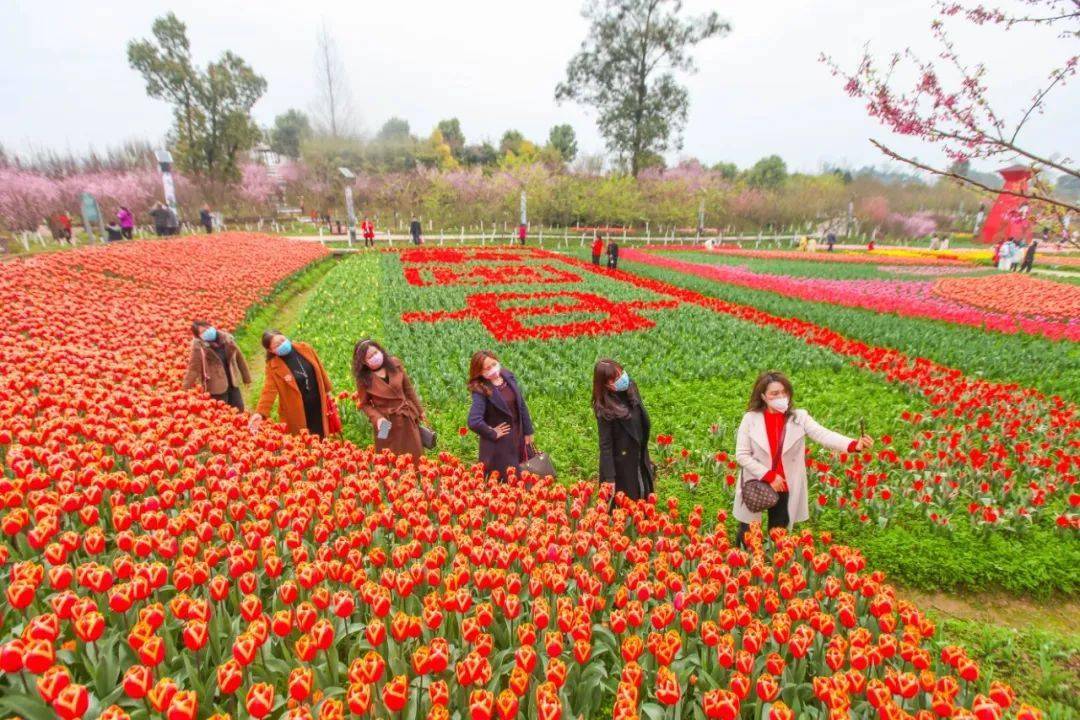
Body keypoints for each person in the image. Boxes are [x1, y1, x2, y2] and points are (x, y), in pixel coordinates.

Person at [733, 371, 873, 547]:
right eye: (774, 393)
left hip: (785, 485)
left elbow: (823, 434)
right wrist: (769, 476)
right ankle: (742, 565)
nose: (781, 397)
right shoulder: (751, 419)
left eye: (784, 392)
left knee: (779, 532)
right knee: (748, 531)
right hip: (757, 481)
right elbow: (742, 455)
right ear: (763, 396)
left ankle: (772, 567)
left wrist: (853, 445)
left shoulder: (799, 417)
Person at [352, 339, 426, 462]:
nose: (374, 357)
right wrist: (377, 419)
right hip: (385, 422)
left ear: (380, 350)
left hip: (406, 415)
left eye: (375, 353)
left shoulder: (394, 363)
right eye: (369, 357)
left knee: (414, 453)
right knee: (388, 456)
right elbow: (364, 404)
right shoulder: (364, 379)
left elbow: (408, 389)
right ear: (364, 362)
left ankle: (417, 478)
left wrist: (419, 410)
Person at [250, 330, 333, 438]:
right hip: (297, 410)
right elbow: (268, 391)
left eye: (282, 340)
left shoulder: (305, 349)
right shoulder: (273, 367)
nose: (282, 344)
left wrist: (327, 391)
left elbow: (320, 370)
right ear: (271, 350)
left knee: (322, 435)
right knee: (304, 441)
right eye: (277, 345)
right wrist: (260, 413)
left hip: (317, 403)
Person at [467, 350, 535, 480]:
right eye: (487, 368)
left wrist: (528, 430)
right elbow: (474, 421)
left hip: (518, 437)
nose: (492, 369)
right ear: (480, 372)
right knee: (506, 482)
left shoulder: (507, 376)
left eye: (493, 364)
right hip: (500, 446)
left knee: (523, 477)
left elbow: (521, 404)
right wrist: (493, 432)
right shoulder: (481, 390)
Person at [593, 359, 654, 504]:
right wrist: (609, 479)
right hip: (622, 464)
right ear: (606, 385)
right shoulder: (605, 409)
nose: (622, 379)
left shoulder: (631, 389)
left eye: (621, 373)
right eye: (616, 378)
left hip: (639, 454)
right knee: (627, 505)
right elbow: (605, 446)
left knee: (644, 494)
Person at [182, 320, 251, 411]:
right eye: (203, 332)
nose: (207, 331)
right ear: (199, 337)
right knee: (222, 413)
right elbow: (193, 369)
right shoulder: (199, 348)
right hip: (216, 388)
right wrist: (184, 390)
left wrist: (246, 378)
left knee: (239, 409)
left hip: (233, 384)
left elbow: (239, 358)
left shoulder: (227, 340)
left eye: (207, 328)